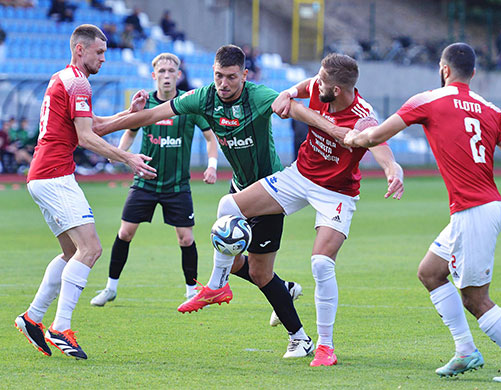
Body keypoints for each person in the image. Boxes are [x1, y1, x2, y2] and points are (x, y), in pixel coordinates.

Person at [93, 44, 350, 359]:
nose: (224, 84)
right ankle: (274, 293)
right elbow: (152, 113)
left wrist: (334, 129)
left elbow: (298, 111)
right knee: (250, 267)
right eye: (218, 76)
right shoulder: (204, 97)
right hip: (240, 190)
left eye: (230, 77)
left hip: (270, 194)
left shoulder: (256, 96)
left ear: (244, 75)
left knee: (259, 273)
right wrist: (103, 126)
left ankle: (297, 335)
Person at [344, 42, 501, 383]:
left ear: (444, 71)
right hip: (484, 207)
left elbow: (375, 137)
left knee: (475, 298)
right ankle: (465, 351)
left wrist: (354, 137)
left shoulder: (427, 100)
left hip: (474, 211)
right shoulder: (491, 110)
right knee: (430, 272)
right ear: (473, 73)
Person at [183, 52, 405, 367]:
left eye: (321, 80)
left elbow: (378, 143)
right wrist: (288, 93)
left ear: (337, 91)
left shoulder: (363, 115)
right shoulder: (320, 86)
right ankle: (218, 285)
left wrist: (391, 169)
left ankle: (325, 347)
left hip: (336, 194)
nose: (316, 83)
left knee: (320, 264)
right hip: (299, 176)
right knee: (228, 205)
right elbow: (304, 87)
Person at [14, 24, 157, 360]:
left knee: (71, 253)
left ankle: (33, 318)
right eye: (99, 52)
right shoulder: (78, 82)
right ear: (80, 49)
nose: (103, 59)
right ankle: (60, 327)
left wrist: (129, 114)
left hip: (44, 175)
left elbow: (92, 125)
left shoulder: (64, 78)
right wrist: (127, 158)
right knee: (90, 248)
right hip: (55, 175)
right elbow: (88, 138)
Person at [90, 53, 218, 308]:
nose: (167, 75)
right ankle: (110, 288)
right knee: (125, 232)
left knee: (186, 238)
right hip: (145, 181)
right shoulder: (144, 102)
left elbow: (210, 138)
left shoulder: (188, 103)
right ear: (154, 75)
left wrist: (212, 166)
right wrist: (119, 154)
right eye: (162, 71)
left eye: (171, 71)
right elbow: (130, 130)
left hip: (177, 184)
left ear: (178, 75)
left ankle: (191, 291)